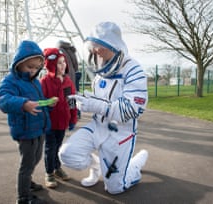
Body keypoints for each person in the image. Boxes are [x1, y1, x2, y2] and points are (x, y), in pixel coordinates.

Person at [59, 22, 149, 194]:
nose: (95, 52)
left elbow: (132, 109)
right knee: (67, 154)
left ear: (113, 45)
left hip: (120, 132)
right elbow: (100, 101)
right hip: (98, 126)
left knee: (114, 188)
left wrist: (96, 105)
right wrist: (79, 101)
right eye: (93, 48)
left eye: (98, 47)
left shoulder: (134, 70)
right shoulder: (102, 68)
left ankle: (134, 168)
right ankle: (98, 166)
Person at [0, 40, 57, 204]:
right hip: (25, 130)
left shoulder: (35, 82)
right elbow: (2, 99)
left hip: (38, 128)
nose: (33, 71)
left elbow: (39, 103)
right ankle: (23, 197)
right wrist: (23, 104)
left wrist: (48, 104)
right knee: (27, 164)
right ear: (19, 64)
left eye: (36, 68)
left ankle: (27, 182)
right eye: (29, 67)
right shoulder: (11, 81)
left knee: (36, 158)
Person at [40, 48, 78, 188]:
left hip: (62, 121)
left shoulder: (68, 81)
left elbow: (72, 101)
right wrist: (48, 104)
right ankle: (49, 173)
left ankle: (57, 168)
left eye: (64, 62)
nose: (63, 65)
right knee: (50, 148)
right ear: (51, 65)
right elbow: (40, 103)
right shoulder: (44, 82)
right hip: (49, 123)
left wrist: (73, 119)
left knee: (58, 147)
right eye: (59, 63)